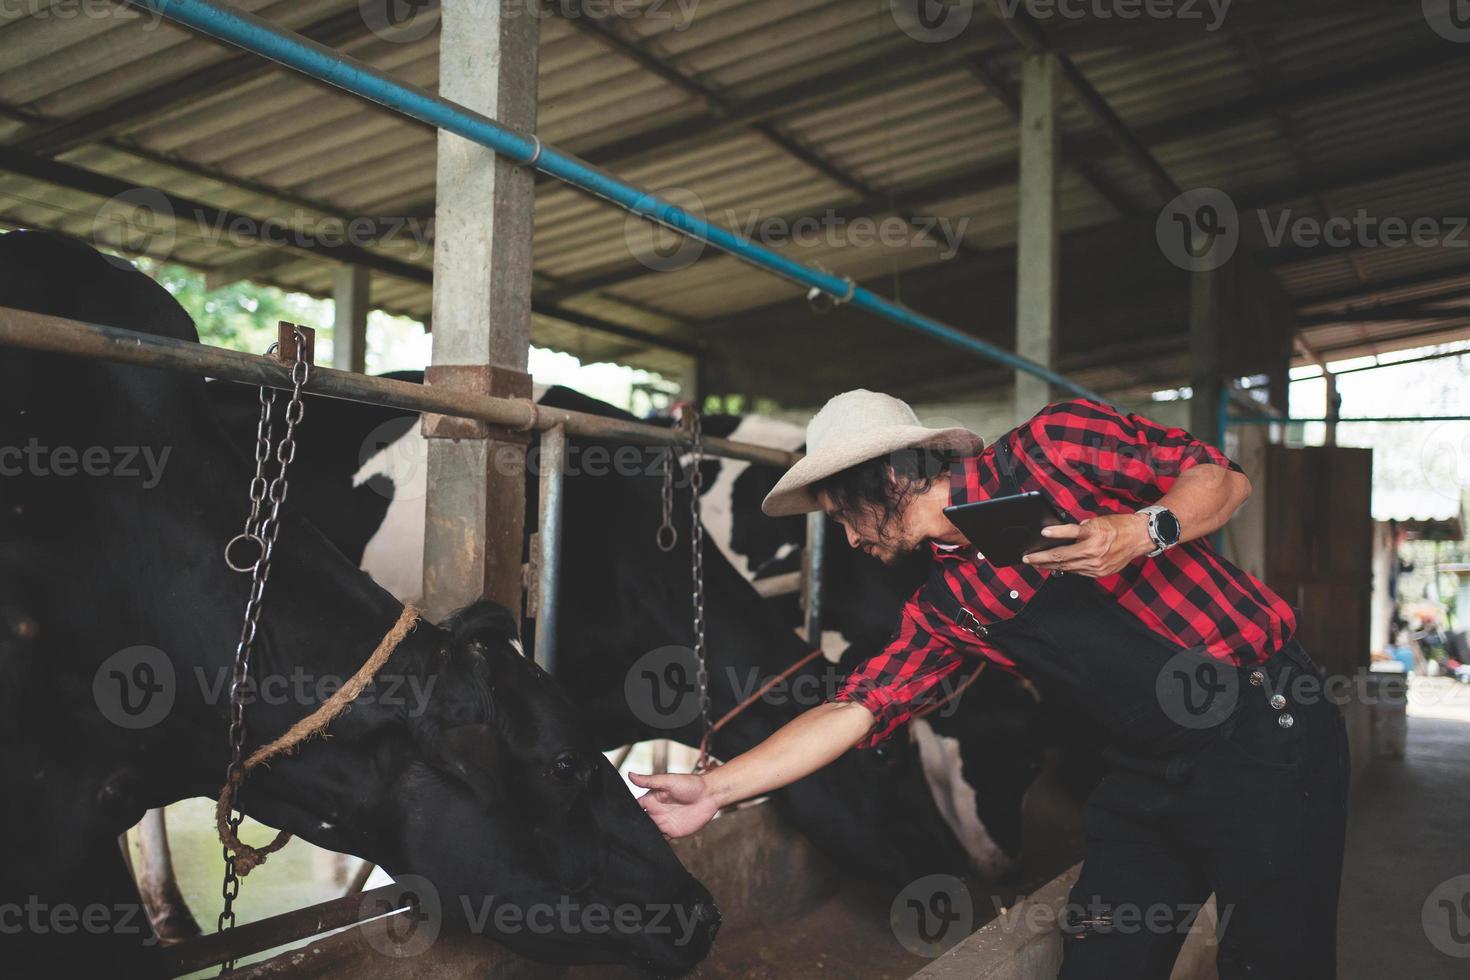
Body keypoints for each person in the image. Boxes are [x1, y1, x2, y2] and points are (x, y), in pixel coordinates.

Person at [631, 390, 1348, 980]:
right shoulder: (948, 603)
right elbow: (854, 708)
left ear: (885, 479)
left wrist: (1140, 530)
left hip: (1263, 734)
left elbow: (1225, 480)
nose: (848, 539)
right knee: (1102, 959)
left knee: (1274, 961)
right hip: (1144, 769)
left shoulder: (1055, 445)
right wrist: (718, 790)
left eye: (843, 515)